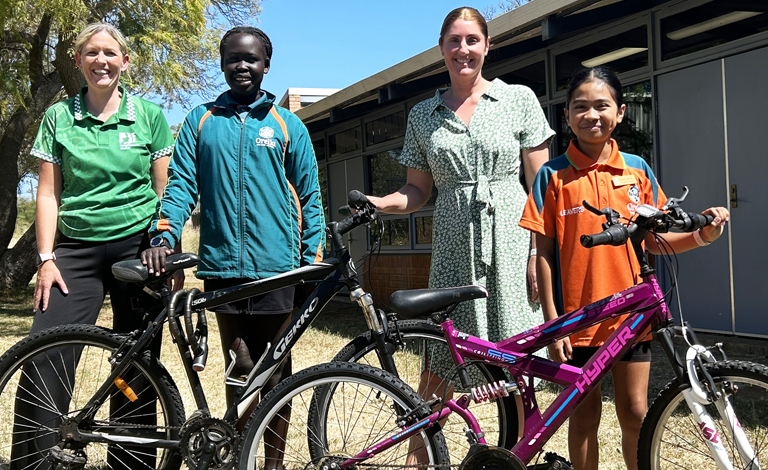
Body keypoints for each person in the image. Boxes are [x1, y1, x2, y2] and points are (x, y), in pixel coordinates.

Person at [519, 66, 730, 470]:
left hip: (632, 319)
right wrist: (553, 322)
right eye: (580, 107)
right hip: (576, 323)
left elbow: (655, 238)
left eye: (602, 106)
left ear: (620, 112)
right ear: (566, 116)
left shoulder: (637, 169)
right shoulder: (552, 175)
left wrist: (704, 236)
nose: (591, 115)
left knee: (635, 412)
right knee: (583, 416)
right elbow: (543, 253)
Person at [367, 5, 554, 459]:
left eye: (472, 40)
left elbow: (542, 186)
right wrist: (381, 203)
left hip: (512, 240)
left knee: (515, 358)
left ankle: (516, 457)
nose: (463, 49)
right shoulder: (423, 115)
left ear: (487, 46)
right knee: (442, 358)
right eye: (454, 41)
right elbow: (416, 190)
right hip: (453, 243)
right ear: (441, 49)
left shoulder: (518, 100)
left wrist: (536, 253)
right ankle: (418, 456)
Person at [141, 26, 325, 469]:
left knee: (277, 373)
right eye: (233, 58)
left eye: (252, 59)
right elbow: (181, 183)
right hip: (223, 268)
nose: (242, 66)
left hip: (279, 268)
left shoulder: (287, 125)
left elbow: (311, 196)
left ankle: (273, 463)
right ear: (222, 63)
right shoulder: (200, 121)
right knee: (239, 366)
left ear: (266, 64)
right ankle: (238, 456)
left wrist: (311, 263)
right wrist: (165, 234)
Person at [13, 22, 179, 470]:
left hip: (138, 248)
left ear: (125, 62)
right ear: (78, 61)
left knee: (137, 359)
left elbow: (167, 192)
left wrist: (168, 245)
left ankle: (133, 460)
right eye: (92, 53)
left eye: (110, 53)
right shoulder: (59, 117)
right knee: (46, 350)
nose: (101, 61)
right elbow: (47, 194)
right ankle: (37, 460)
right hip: (76, 251)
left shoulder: (148, 116)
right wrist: (46, 259)